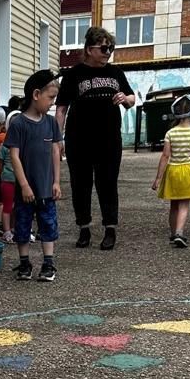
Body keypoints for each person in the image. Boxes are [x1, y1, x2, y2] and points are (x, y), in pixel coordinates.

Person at [55, 25, 136, 251]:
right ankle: (84, 228)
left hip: (109, 139)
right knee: (80, 185)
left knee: (107, 183)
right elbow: (61, 108)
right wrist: (56, 138)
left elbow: (131, 98)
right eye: (104, 48)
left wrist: (126, 99)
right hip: (78, 139)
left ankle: (110, 229)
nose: (108, 52)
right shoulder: (73, 75)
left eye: (110, 48)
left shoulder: (116, 73)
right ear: (89, 49)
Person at [2, 71, 62, 282]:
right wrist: (24, 185)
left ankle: (48, 263)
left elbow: (56, 151)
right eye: (51, 97)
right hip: (25, 191)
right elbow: (14, 156)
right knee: (23, 226)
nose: (52, 103)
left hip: (46, 188)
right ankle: (25, 262)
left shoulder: (51, 123)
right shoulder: (19, 124)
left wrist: (56, 181)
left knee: (48, 224)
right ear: (36, 94)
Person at [151, 95, 190, 248]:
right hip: (188, 171)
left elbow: (165, 156)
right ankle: (180, 233)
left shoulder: (171, 133)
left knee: (173, 205)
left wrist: (158, 178)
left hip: (172, 171)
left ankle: (173, 232)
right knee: (184, 205)